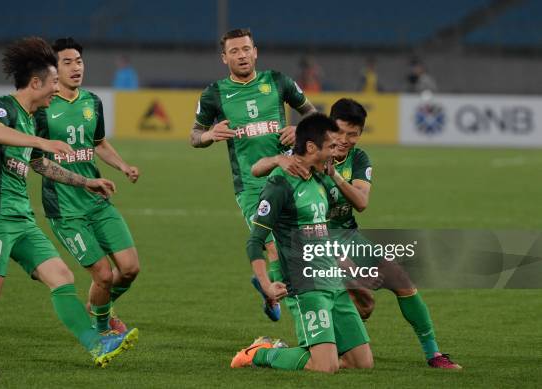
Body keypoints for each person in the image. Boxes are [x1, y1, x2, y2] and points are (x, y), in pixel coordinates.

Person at [0, 37, 137, 367]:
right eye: (53, 81)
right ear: (36, 82)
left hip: (23, 218)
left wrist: (87, 181)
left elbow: (40, 163)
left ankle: (97, 346)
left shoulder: (32, 117)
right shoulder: (6, 107)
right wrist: (42, 140)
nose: (57, 89)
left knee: (63, 278)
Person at [252, 98, 461, 369]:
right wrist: (278, 159)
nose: (346, 140)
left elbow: (361, 203)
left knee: (400, 282)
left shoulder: (358, 158)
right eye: (340, 131)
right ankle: (304, 349)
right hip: (315, 244)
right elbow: (261, 171)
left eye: (354, 134)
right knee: (361, 300)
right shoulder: (309, 153)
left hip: (348, 237)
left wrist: (336, 176)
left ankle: (433, 354)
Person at [231, 113, 373, 373]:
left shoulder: (321, 179)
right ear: (311, 147)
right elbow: (255, 242)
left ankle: (319, 353)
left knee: (361, 363)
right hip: (306, 286)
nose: (336, 152)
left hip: (332, 279)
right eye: (330, 146)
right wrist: (266, 284)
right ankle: (260, 354)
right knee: (325, 367)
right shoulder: (280, 185)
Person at [190, 28, 316, 321]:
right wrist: (209, 134)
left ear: (255, 51)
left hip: (287, 178)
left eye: (246, 49)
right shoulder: (213, 94)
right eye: (234, 51)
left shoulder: (278, 81)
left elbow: (313, 115)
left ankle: (271, 288)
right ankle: (280, 299)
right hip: (249, 185)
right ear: (224, 58)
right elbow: (193, 137)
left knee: (295, 246)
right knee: (270, 245)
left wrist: (299, 129)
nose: (242, 55)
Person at [33, 37, 141, 335]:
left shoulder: (92, 101)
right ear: (54, 68)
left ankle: (96, 307)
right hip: (66, 210)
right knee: (103, 275)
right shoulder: (43, 107)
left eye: (79, 61)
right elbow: (37, 160)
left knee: (130, 268)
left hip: (97, 201)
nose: (75, 67)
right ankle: (103, 329)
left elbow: (98, 143)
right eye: (67, 62)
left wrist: (123, 166)